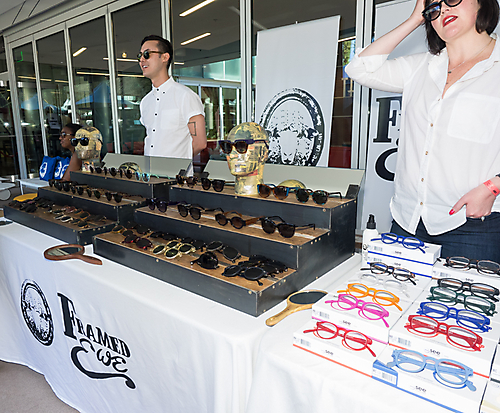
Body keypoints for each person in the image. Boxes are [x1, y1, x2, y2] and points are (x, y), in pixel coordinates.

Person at [346, 0, 500, 262]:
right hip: (408, 220)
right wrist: (414, 19)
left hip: (473, 225)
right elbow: (358, 69)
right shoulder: (421, 67)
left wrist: (493, 187)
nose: (444, 9)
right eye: (434, 8)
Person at [139, 35, 207, 159]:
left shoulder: (185, 96)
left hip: (177, 171)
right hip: (149, 171)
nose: (142, 59)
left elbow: (200, 143)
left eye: (147, 54)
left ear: (165, 57)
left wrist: (177, 164)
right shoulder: (145, 102)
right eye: (140, 55)